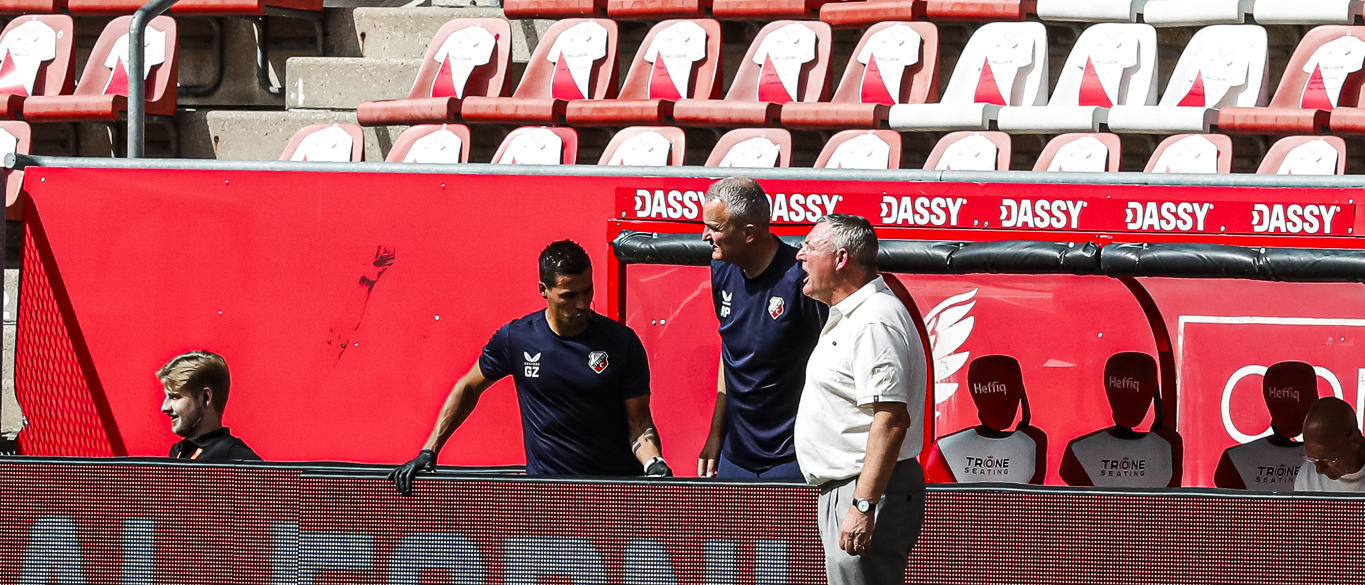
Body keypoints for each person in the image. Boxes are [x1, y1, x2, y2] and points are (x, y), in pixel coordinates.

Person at [390, 240, 671, 495]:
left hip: (612, 493)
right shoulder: (516, 338)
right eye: (569, 295)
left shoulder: (622, 342)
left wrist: (653, 464)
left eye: (588, 290)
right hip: (544, 497)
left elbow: (639, 424)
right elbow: (469, 387)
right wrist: (429, 450)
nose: (582, 304)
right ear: (543, 290)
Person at [794, 213, 927, 585]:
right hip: (855, 489)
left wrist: (863, 504)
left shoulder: (873, 320)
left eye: (810, 246)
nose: (800, 255)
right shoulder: (856, 315)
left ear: (840, 259)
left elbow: (891, 419)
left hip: (866, 490)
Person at [699, 177, 827, 480]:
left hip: (792, 457)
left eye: (715, 228)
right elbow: (729, 349)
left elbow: (830, 362)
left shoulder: (800, 280)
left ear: (748, 234)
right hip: (735, 457)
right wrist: (716, 433)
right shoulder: (721, 268)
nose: (705, 236)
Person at [158, 350, 261, 461]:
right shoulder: (178, 451)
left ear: (205, 397)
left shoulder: (235, 455)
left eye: (175, 397)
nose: (164, 407)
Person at [1295, 396, 1365, 492]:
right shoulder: (1308, 477)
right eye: (1313, 459)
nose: (1319, 470)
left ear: (1355, 440)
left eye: (1330, 459)